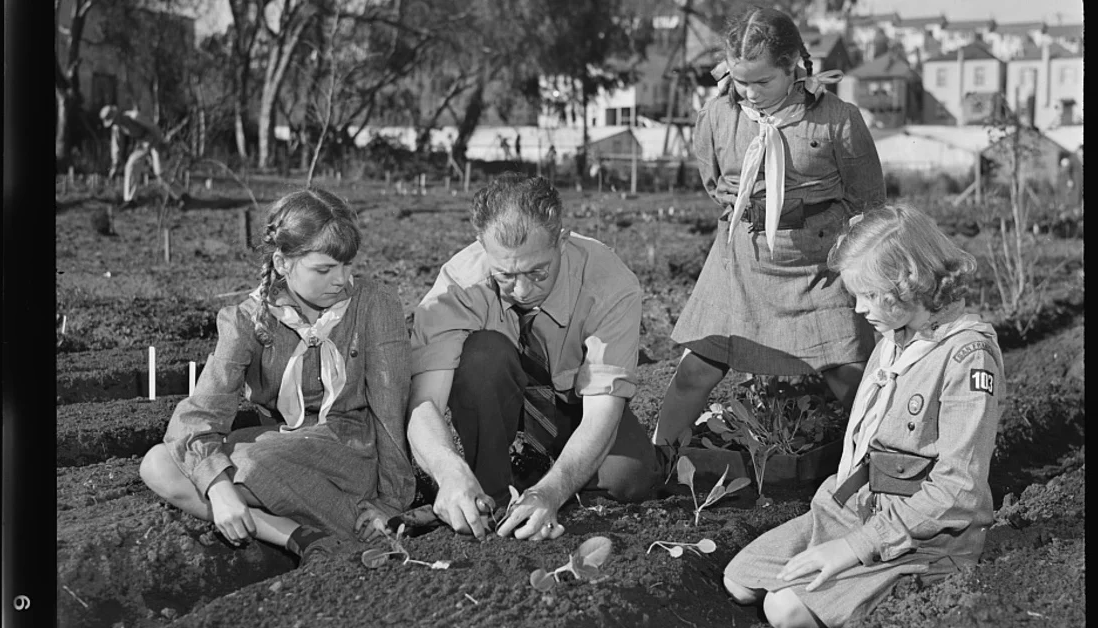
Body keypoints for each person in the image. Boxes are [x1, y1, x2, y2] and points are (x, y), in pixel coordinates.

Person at [723, 203, 1006, 627]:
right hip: (855, 507)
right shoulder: (894, 338)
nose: (859, 309)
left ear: (911, 283)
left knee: (783, 608)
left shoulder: (967, 357)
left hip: (924, 539)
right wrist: (846, 532)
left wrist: (856, 547)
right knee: (739, 581)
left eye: (869, 295)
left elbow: (959, 489)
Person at [139, 187, 415, 566]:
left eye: (347, 266)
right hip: (280, 450)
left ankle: (341, 525)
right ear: (283, 263)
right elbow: (198, 416)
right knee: (158, 464)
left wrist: (390, 503)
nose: (342, 280)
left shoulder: (374, 304)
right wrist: (219, 490)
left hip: (347, 459)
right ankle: (301, 537)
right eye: (325, 269)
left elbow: (390, 410)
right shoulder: (247, 320)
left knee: (248, 463)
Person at [651, 5, 885, 447]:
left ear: (792, 65)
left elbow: (868, 200)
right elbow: (714, 183)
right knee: (695, 371)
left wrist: (836, 245)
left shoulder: (837, 119)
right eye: (741, 82)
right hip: (740, 261)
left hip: (819, 266)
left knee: (851, 376)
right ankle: (655, 459)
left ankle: (877, 465)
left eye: (763, 82)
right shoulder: (718, 115)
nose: (751, 94)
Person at [407, 173, 659, 541]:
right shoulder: (456, 287)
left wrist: (550, 493)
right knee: (482, 356)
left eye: (538, 271)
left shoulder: (609, 283)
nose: (523, 290)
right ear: (481, 245)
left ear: (561, 239)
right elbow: (424, 402)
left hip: (575, 402)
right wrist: (448, 471)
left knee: (630, 477)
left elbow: (602, 413)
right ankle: (489, 491)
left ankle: (538, 483)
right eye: (506, 275)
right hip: (495, 400)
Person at [100, 105, 170, 208]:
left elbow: (153, 127)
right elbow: (116, 147)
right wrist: (115, 164)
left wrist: (162, 142)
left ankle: (181, 195)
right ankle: (130, 200)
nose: (114, 123)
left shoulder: (134, 116)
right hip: (142, 142)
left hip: (153, 138)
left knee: (160, 171)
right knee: (131, 165)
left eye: (114, 120)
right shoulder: (117, 127)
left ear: (117, 115)